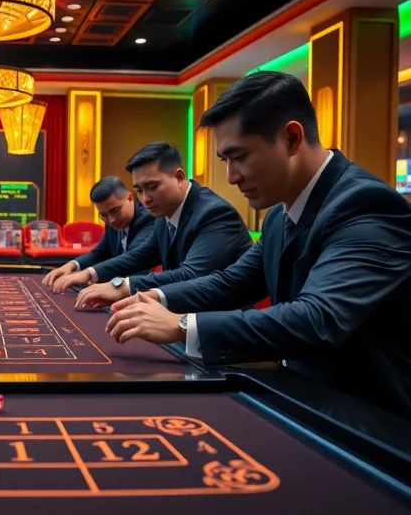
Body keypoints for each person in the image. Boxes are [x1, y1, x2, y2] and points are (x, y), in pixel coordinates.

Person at [104, 71, 411, 418]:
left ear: (292, 138)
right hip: (301, 396)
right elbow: (232, 283)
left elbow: (317, 318)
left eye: (240, 157)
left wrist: (182, 325)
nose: (232, 177)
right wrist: (153, 298)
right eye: (226, 161)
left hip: (371, 424)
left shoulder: (366, 204)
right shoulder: (280, 215)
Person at [75, 141, 252, 309]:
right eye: (139, 190)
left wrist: (121, 286)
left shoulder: (215, 213)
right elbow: (140, 256)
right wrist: (89, 272)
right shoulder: (163, 214)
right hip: (181, 314)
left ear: (179, 177)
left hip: (220, 327)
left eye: (152, 186)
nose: (145, 199)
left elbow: (189, 275)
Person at [43, 176, 154, 293]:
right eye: (103, 215)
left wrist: (89, 274)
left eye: (115, 210)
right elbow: (99, 252)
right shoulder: (113, 222)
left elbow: (132, 258)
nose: (111, 220)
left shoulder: (149, 218)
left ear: (129, 198)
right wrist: (70, 266)